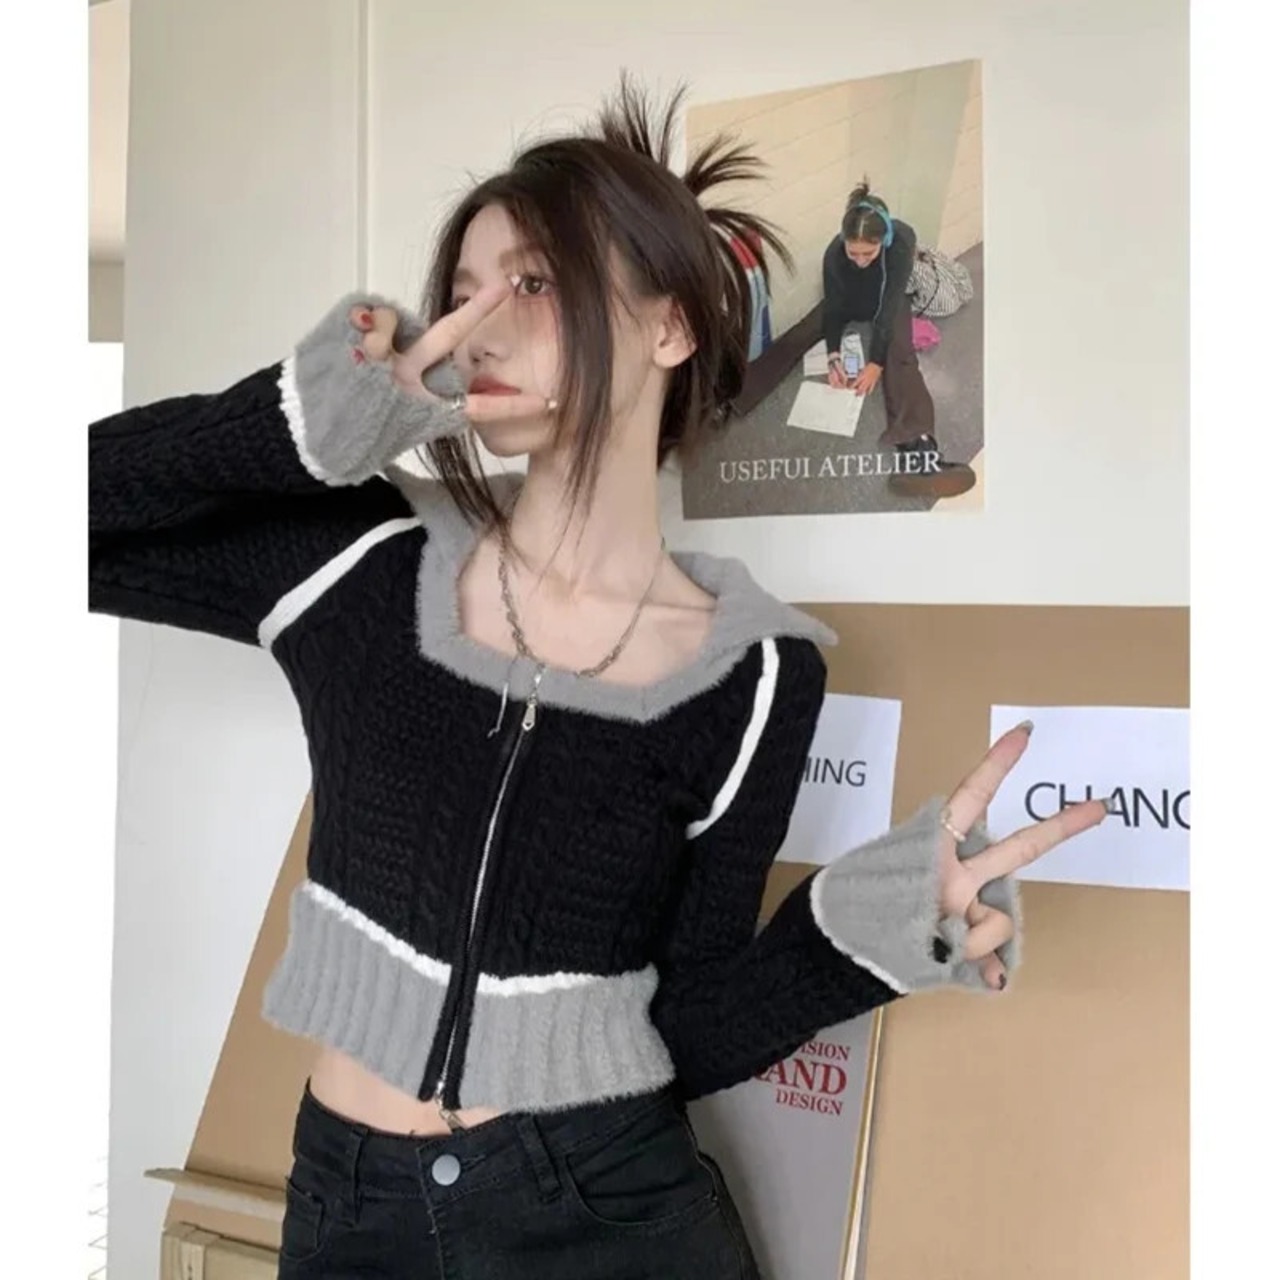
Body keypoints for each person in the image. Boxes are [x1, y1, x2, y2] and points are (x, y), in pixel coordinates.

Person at [88, 76, 1106, 1280]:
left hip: (605, 1208)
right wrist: (295, 427)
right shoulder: (359, 561)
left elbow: (681, 1026)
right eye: (460, 292)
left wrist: (849, 941)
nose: (476, 325)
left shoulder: (755, 675)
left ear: (667, 328)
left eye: (530, 282)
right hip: (350, 1208)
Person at [822, 183, 976, 499]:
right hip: (856, 300)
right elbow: (833, 308)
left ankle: (918, 451)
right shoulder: (834, 255)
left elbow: (889, 305)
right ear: (843, 241)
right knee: (816, 326)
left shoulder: (901, 240)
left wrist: (876, 363)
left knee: (900, 351)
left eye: (868, 253)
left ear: (885, 240)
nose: (859, 260)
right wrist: (833, 356)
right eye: (853, 252)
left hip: (890, 298)